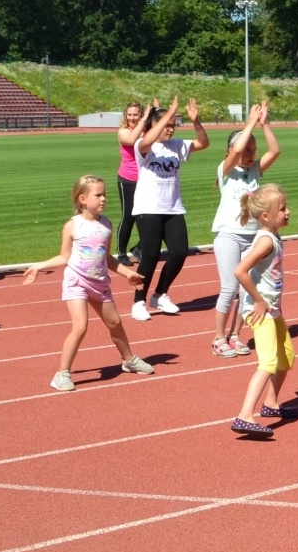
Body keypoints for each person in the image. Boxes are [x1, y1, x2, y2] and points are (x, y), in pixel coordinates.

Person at [21, 175, 154, 391]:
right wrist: (38, 266)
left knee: (115, 324)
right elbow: (64, 257)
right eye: (98, 195)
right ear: (82, 198)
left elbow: (107, 258)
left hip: (99, 284)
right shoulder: (73, 226)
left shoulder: (107, 224)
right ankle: (62, 373)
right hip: (77, 282)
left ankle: (129, 360)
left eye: (105, 195)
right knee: (81, 326)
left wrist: (127, 273)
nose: (103, 199)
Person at [129, 96, 209, 320]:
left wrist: (196, 121)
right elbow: (146, 142)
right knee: (151, 256)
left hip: (172, 208)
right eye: (167, 125)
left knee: (180, 252)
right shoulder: (142, 145)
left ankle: (160, 294)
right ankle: (139, 301)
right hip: (148, 208)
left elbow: (203, 143)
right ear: (154, 125)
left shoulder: (176, 146)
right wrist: (166, 115)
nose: (171, 130)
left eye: (173, 126)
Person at [210, 103, 280, 357]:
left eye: (253, 150)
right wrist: (249, 123)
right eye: (245, 150)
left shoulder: (255, 171)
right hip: (229, 235)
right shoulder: (226, 171)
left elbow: (275, 150)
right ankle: (219, 338)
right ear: (232, 151)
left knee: (245, 289)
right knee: (229, 287)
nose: (250, 154)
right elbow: (238, 148)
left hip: (253, 237)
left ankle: (236, 335)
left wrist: (263, 124)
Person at [228, 184, 294, 437]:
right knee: (267, 361)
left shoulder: (273, 236)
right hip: (260, 312)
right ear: (266, 216)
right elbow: (240, 271)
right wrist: (257, 300)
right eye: (282, 209)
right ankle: (244, 415)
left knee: (286, 356)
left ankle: (271, 404)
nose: (288, 212)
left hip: (273, 310)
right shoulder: (266, 241)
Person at [115, 101, 146, 265]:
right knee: (129, 217)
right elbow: (132, 140)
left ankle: (140, 248)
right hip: (127, 179)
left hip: (146, 180)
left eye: (136, 115)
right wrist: (144, 122)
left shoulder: (146, 130)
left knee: (148, 216)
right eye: (130, 115)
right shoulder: (123, 132)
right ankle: (121, 253)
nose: (132, 118)